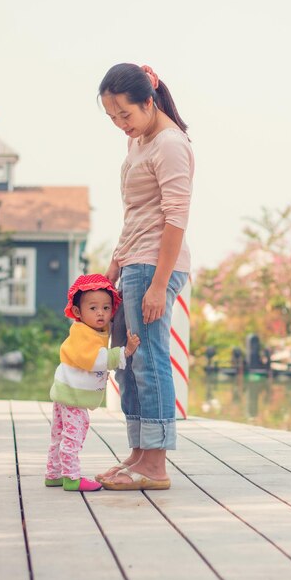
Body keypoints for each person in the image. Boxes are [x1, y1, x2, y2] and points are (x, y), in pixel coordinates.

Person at [95, 63, 194, 490]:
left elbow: (175, 219)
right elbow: (136, 214)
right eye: (112, 118)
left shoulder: (170, 144)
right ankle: (138, 452)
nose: (120, 124)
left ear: (149, 103)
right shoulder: (140, 142)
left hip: (156, 265)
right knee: (129, 364)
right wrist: (115, 263)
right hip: (133, 262)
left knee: (150, 361)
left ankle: (155, 465)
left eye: (125, 115)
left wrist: (158, 283)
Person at [45, 273, 140, 492]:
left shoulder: (88, 330)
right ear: (78, 312)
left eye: (106, 308)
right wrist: (125, 352)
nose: (101, 313)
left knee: (59, 435)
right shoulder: (83, 334)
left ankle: (54, 473)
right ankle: (71, 477)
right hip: (74, 396)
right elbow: (94, 359)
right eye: (94, 308)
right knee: (73, 435)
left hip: (66, 392)